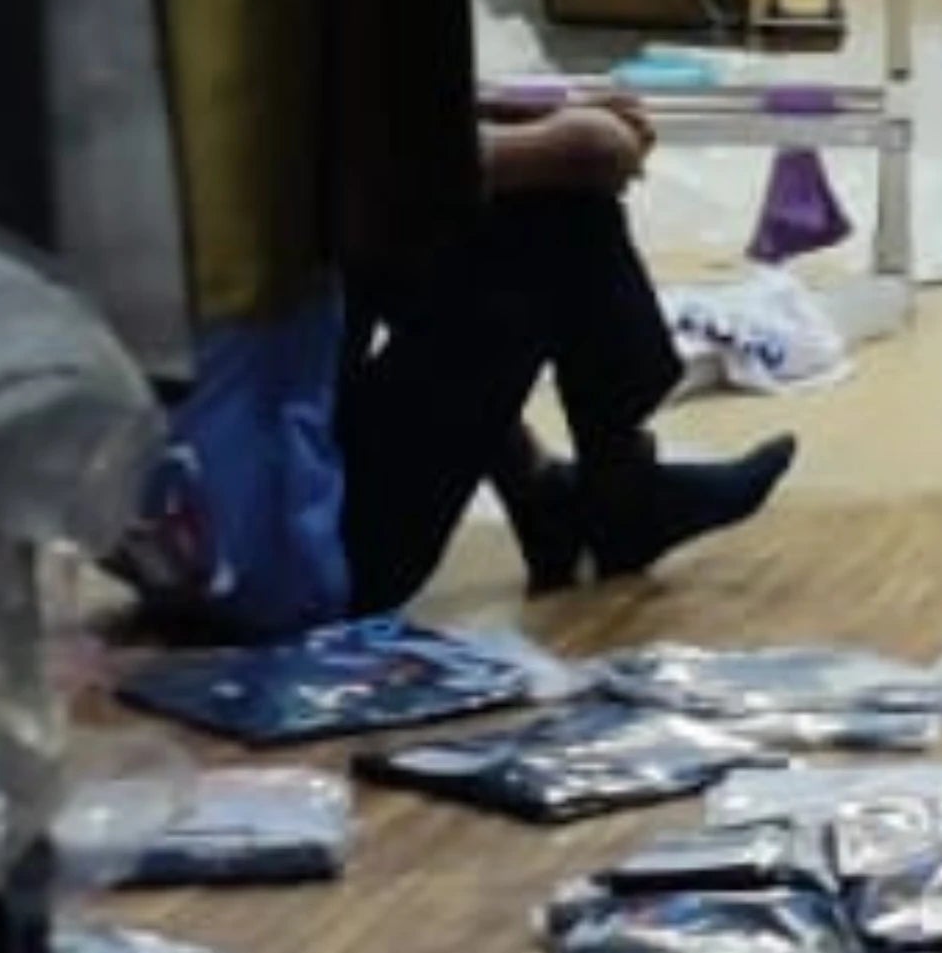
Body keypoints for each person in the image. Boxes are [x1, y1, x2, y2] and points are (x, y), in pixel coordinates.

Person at [339, 92, 794, 608]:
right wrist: (569, 134)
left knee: (479, 218)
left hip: (282, 518)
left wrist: (507, 111)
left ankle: (566, 494)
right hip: (306, 556)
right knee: (555, 214)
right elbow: (591, 152)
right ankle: (616, 492)